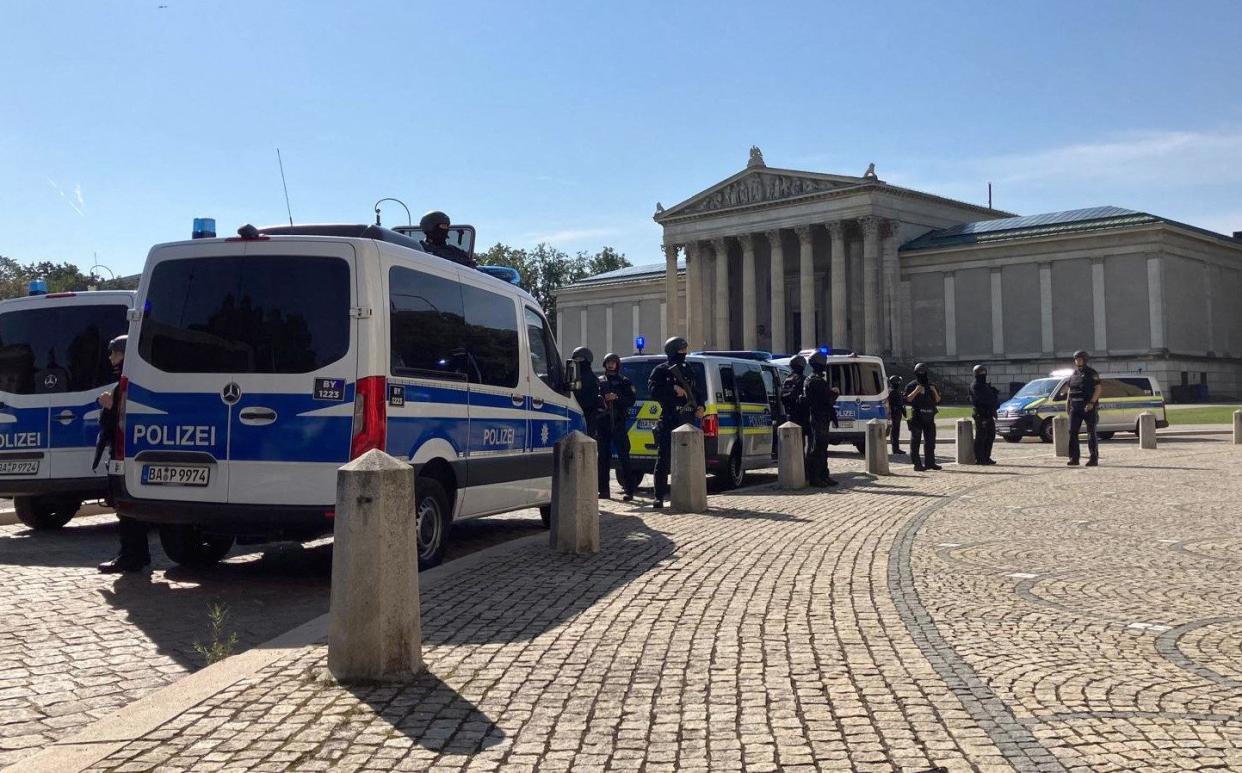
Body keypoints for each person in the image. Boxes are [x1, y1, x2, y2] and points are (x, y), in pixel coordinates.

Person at [97, 336, 151, 574]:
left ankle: (132, 555)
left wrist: (110, 406)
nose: (111, 359)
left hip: (125, 454)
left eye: (115, 353)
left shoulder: (127, 385)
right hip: (124, 453)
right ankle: (134, 554)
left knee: (126, 508)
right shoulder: (123, 383)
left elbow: (118, 423)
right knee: (124, 507)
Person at [648, 336, 703, 509]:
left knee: (689, 459)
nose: (684, 354)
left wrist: (701, 407)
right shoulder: (661, 370)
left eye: (685, 351)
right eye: (680, 351)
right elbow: (653, 391)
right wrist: (672, 389)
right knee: (663, 458)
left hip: (687, 418)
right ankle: (659, 496)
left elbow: (696, 391)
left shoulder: (689, 370)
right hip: (670, 416)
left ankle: (687, 494)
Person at [597, 353, 637, 501]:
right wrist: (603, 400)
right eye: (608, 362)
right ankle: (603, 490)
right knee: (602, 458)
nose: (611, 365)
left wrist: (617, 398)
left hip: (619, 422)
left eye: (613, 362)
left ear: (617, 364)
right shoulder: (600, 381)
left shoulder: (624, 382)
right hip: (604, 423)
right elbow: (594, 400)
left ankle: (629, 490)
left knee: (624, 456)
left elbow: (631, 400)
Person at [803, 351, 840, 487]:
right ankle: (815, 477)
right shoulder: (815, 381)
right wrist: (834, 393)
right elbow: (827, 400)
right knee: (817, 448)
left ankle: (824, 475)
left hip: (821, 417)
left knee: (823, 449)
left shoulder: (813, 379)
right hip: (818, 417)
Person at [1065, 350, 1102, 467]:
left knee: (1091, 433)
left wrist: (1092, 402)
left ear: (1085, 360)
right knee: (1072, 432)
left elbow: (1098, 388)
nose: (1078, 361)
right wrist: (1067, 404)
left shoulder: (1092, 373)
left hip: (1088, 407)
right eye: (1076, 359)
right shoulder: (1073, 374)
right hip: (1075, 408)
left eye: (1080, 359)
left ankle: (1093, 458)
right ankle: (1074, 458)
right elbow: (1070, 390)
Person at [904, 363, 942, 471]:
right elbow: (908, 399)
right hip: (917, 417)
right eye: (919, 372)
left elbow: (938, 400)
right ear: (916, 373)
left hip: (929, 416)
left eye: (923, 371)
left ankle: (930, 463)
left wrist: (933, 390)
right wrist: (916, 391)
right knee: (915, 442)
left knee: (930, 441)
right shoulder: (911, 385)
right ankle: (917, 464)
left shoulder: (931, 385)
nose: (922, 374)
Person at [780, 355, 810, 475]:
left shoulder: (787, 379)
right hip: (802, 416)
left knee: (792, 447)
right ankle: (804, 472)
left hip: (790, 416)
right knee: (804, 445)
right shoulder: (802, 379)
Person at [571, 347, 603, 442]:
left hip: (587, 417)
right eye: (575, 359)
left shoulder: (592, 379)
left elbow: (591, 400)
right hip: (573, 413)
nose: (577, 362)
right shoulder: (572, 376)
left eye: (580, 359)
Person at [969, 364, 999, 465]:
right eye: (980, 373)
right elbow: (982, 399)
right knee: (981, 437)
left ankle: (986, 456)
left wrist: (993, 393)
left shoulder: (985, 385)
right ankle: (980, 458)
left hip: (988, 413)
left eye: (983, 373)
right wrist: (991, 395)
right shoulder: (975, 385)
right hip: (980, 414)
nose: (982, 375)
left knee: (990, 436)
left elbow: (990, 399)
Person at [886, 374, 906, 455]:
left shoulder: (891, 390)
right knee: (895, 432)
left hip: (895, 413)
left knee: (894, 431)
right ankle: (895, 449)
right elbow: (891, 404)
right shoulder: (893, 392)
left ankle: (896, 448)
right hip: (895, 413)